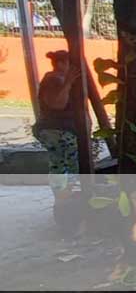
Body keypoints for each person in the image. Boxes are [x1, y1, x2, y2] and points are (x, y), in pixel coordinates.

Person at [33, 50, 82, 197]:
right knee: (65, 163)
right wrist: (68, 82)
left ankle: (66, 195)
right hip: (55, 129)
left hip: (61, 130)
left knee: (62, 162)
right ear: (60, 64)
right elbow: (57, 104)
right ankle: (64, 196)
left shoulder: (59, 78)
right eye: (68, 63)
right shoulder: (53, 79)